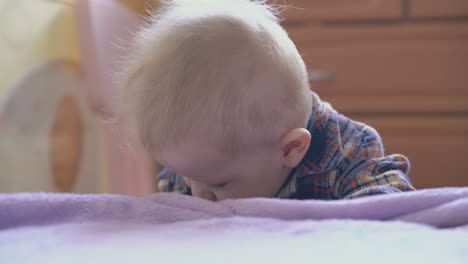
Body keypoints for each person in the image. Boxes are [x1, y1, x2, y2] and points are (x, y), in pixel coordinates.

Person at [120, 0, 414, 201]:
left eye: (219, 184)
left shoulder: (346, 152)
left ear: (291, 149)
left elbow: (390, 208)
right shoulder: (200, 163)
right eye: (185, 178)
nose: (198, 195)